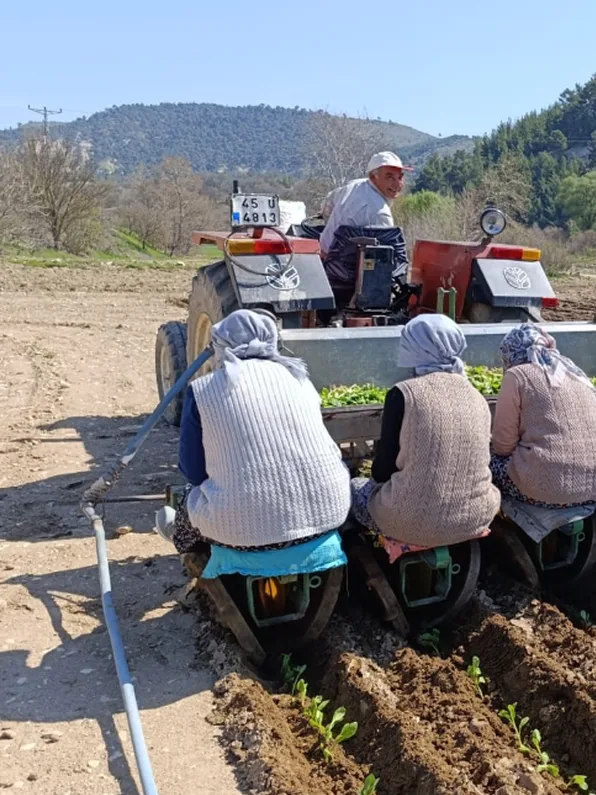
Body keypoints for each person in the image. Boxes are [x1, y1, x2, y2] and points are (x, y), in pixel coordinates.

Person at [158, 310, 351, 575]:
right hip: (330, 515)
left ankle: (182, 540)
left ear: (220, 345)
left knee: (191, 498)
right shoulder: (302, 380)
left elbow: (193, 471)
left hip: (244, 535)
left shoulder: (202, 389)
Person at [350, 314, 500, 549]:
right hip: (476, 517)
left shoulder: (404, 394)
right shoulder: (476, 395)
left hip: (406, 521)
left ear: (413, 348)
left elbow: (381, 472)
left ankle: (374, 549)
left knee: (355, 488)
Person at [490, 323, 596, 508]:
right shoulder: (572, 370)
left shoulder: (517, 375)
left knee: (490, 462)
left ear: (509, 352)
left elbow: (503, 446)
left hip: (550, 490)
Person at [319, 151, 412, 256]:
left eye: (400, 177)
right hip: (349, 269)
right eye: (389, 177)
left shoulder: (352, 185)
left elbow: (327, 205)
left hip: (323, 258)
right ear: (373, 177)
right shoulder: (380, 213)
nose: (397, 184)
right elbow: (386, 256)